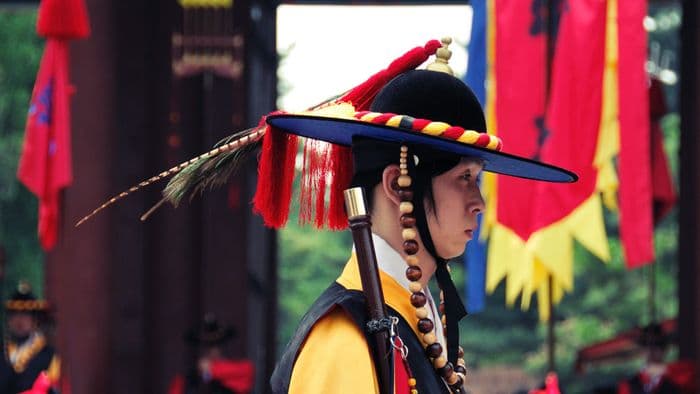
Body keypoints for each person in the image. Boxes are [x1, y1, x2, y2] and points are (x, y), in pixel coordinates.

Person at [167, 314, 254, 394]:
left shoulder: (240, 370)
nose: (211, 350)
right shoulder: (184, 381)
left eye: (216, 344)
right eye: (206, 345)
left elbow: (246, 371)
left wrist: (210, 370)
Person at [0, 281, 61, 394]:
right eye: (15, 314)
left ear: (34, 320)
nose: (19, 320)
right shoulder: (2, 351)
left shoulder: (49, 355)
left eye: (25, 314)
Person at [617, 323, 695, 394]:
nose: (651, 350)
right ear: (641, 350)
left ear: (665, 349)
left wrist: (663, 370)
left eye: (657, 344)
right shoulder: (628, 386)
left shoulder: (679, 376)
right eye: (646, 344)